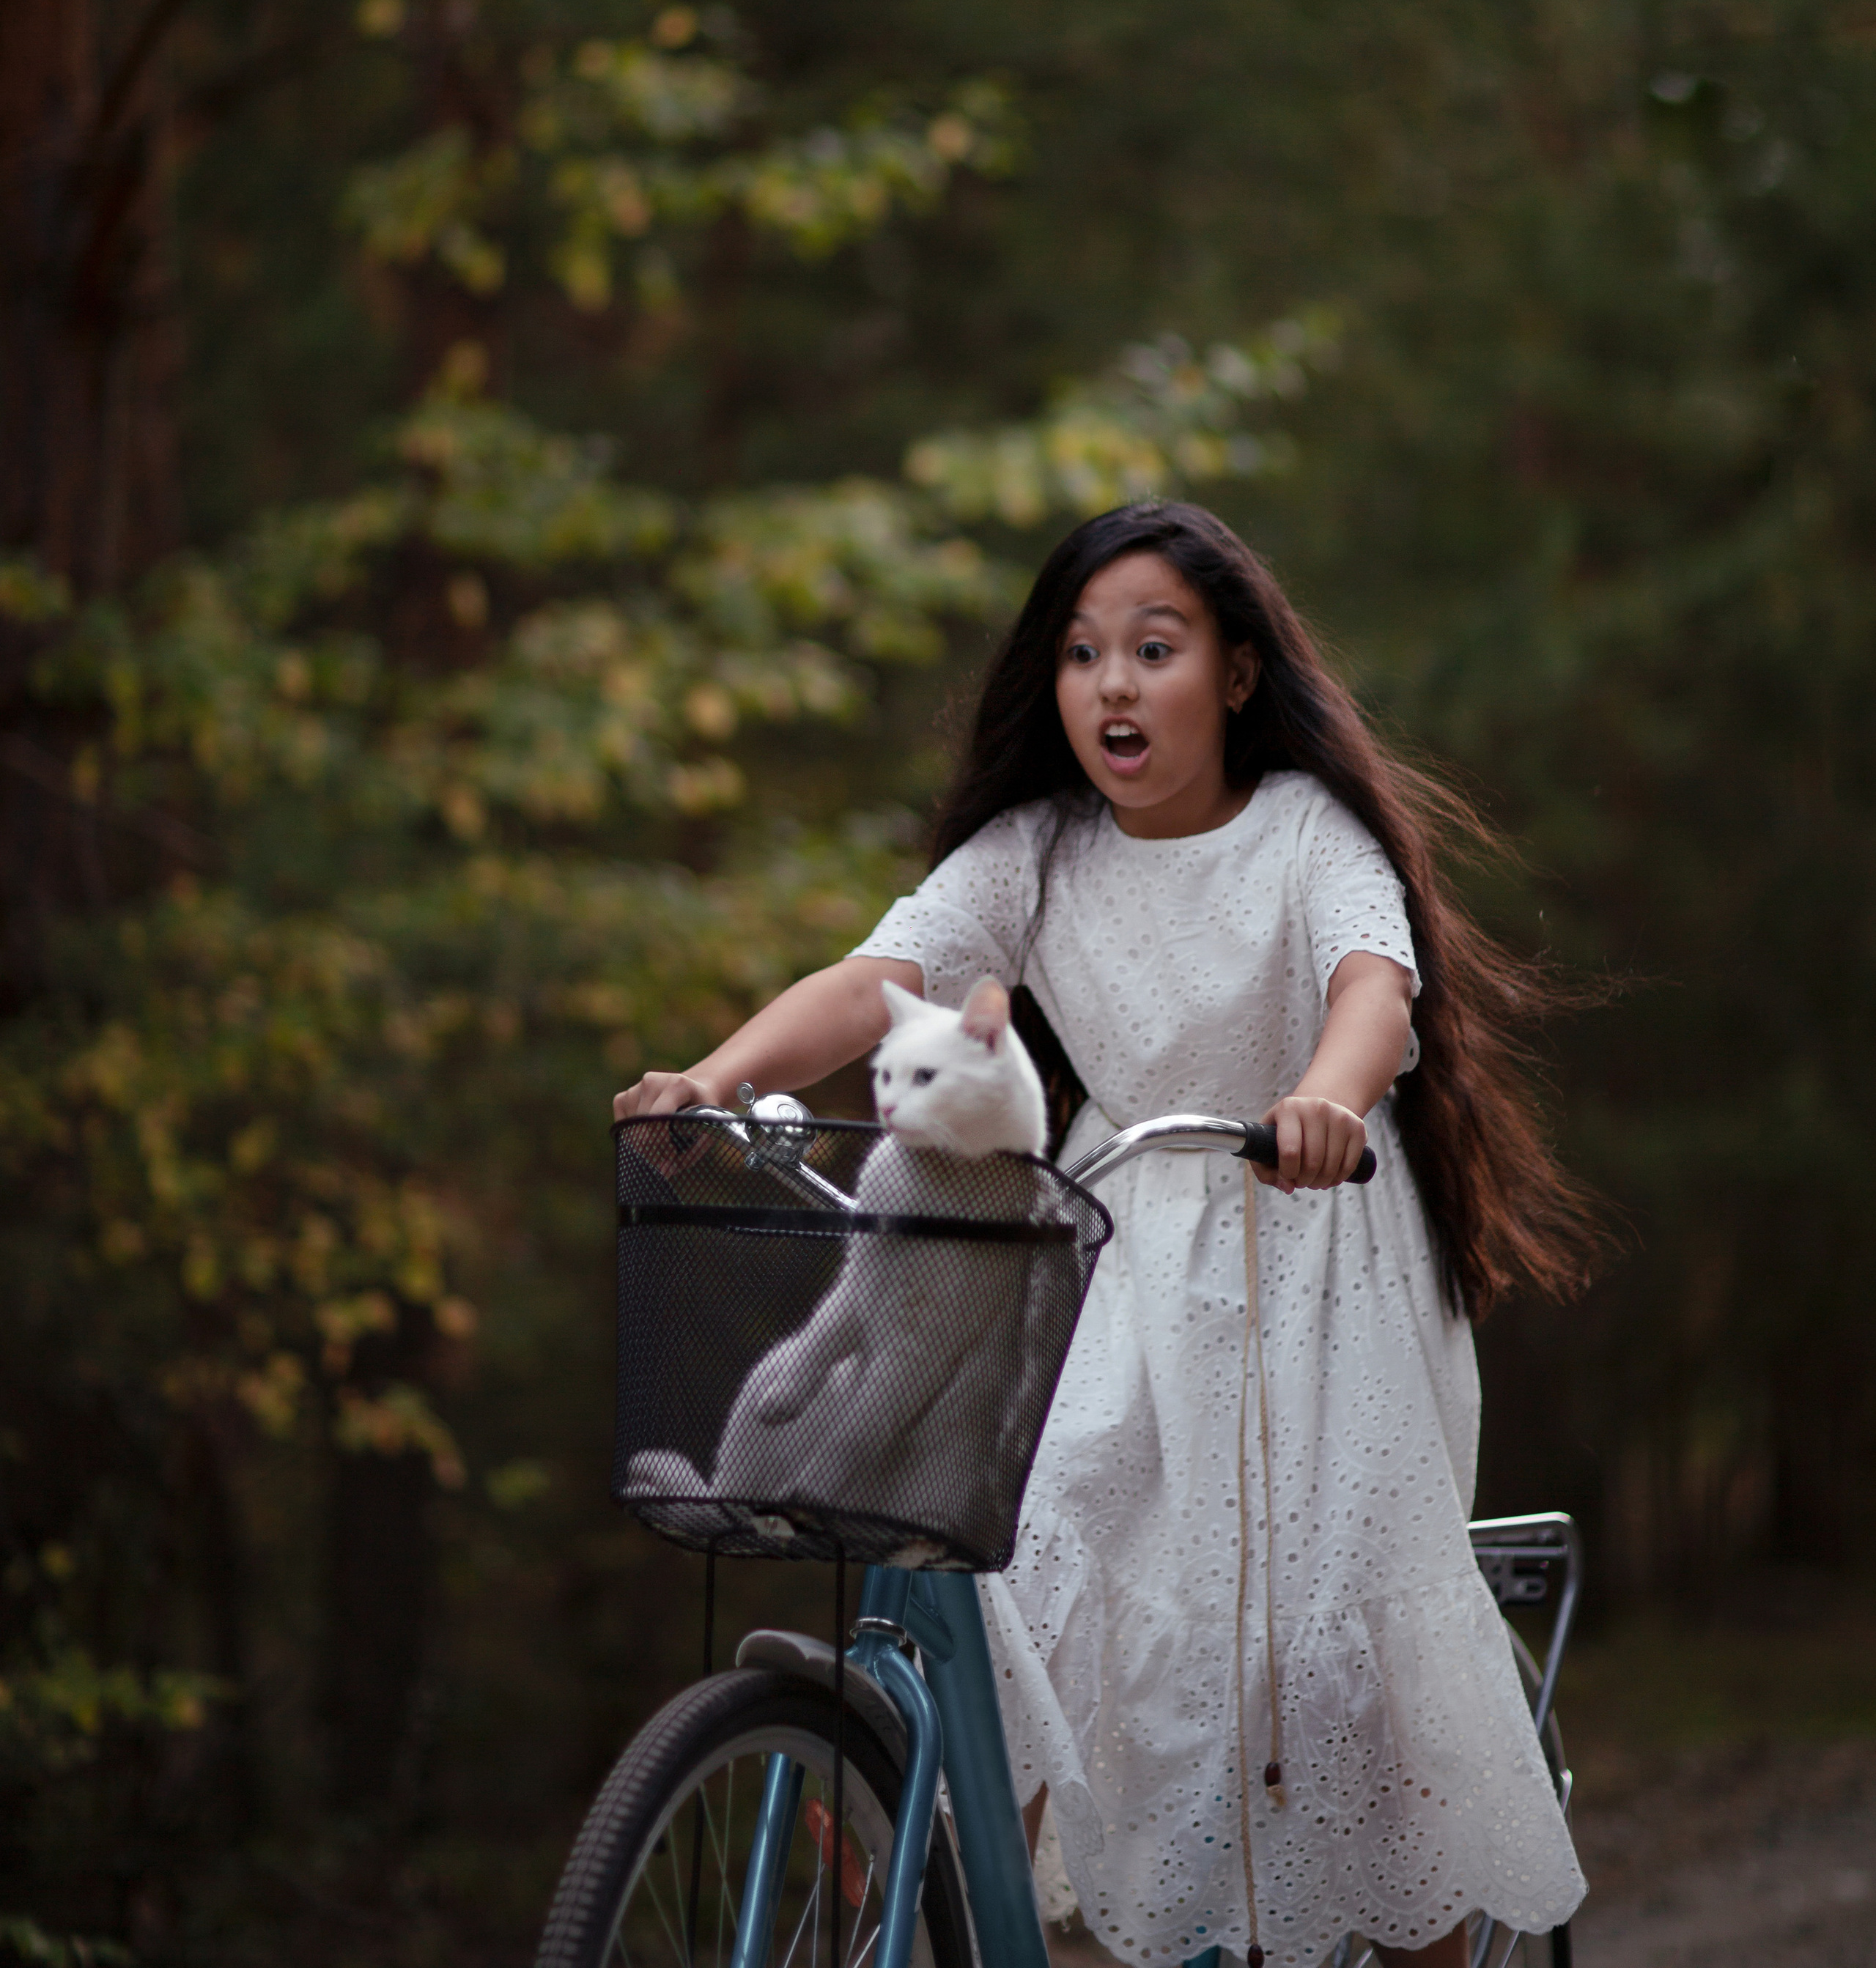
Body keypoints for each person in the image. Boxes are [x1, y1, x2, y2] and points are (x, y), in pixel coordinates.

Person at [616, 500, 1595, 1968]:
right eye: (1081, 655)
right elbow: (878, 975)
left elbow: (1371, 990)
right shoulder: (1033, 854)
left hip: (1314, 1241)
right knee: (1037, 1542)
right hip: (1114, 1244)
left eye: (1153, 648)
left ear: (1238, 674)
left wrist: (1324, 1100)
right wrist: (715, 1074)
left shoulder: (1300, 835)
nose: (1112, 686)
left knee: (1329, 1662)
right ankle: (931, 1845)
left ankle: (1414, 1937)